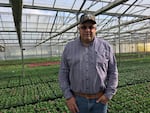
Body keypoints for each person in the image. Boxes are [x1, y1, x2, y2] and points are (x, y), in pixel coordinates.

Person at [58, 13, 118, 113]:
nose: (87, 30)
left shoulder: (106, 47)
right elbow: (63, 73)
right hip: (77, 101)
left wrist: (108, 95)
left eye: (91, 27)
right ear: (79, 29)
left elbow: (113, 72)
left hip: (100, 101)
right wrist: (68, 97)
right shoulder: (69, 48)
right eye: (84, 27)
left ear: (95, 29)